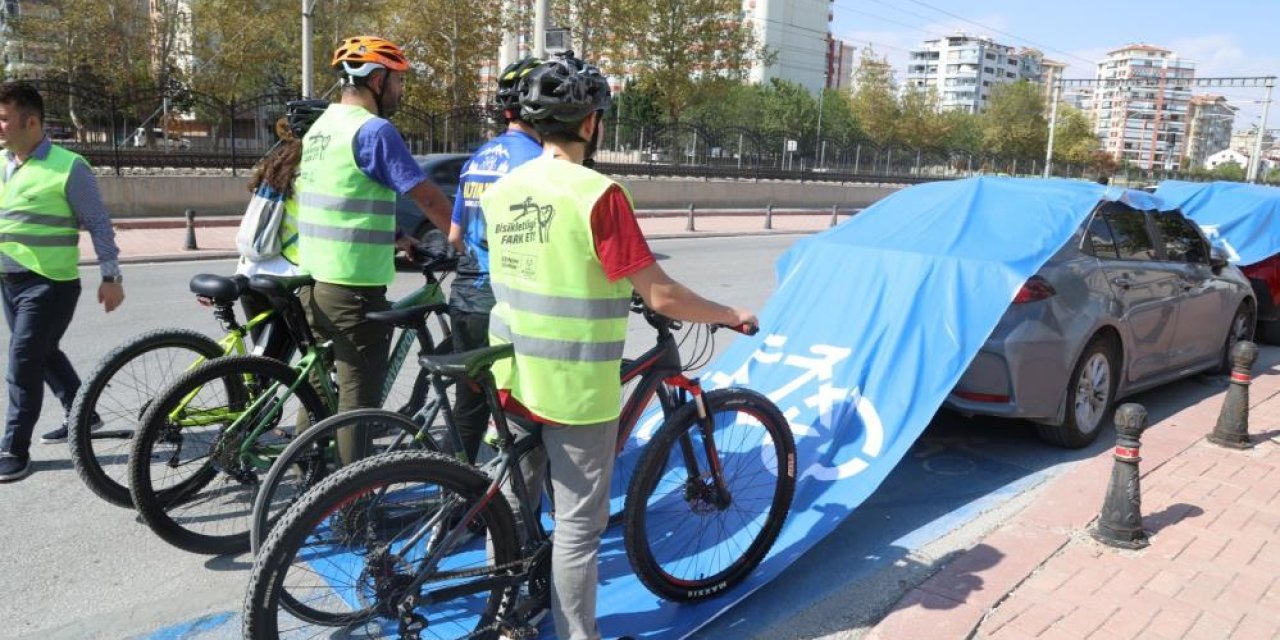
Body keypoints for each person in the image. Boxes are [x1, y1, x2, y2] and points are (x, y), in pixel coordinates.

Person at [480, 52, 756, 640]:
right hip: (573, 387)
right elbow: (660, 295)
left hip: (509, 370)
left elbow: (540, 266)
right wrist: (729, 313)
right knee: (579, 528)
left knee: (508, 507)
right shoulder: (598, 193)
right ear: (589, 123)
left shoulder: (504, 190)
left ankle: (502, 617)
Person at [295, 36, 452, 463]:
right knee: (358, 404)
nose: (400, 92)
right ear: (378, 80)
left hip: (311, 278)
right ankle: (355, 509)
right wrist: (464, 240)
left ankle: (307, 476)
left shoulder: (322, 127)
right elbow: (429, 199)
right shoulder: (373, 130)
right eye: (398, 82)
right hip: (352, 286)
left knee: (321, 390)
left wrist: (394, 236)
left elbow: (341, 200)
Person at [0, 81, 125, 482]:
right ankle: (83, 415)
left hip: (50, 284)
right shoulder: (5, 163)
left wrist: (111, 275)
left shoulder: (69, 166)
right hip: (10, 280)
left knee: (23, 362)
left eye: (4, 119)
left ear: (31, 121)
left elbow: (99, 223)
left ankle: (13, 450)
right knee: (44, 352)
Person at [446, 56, 543, 463]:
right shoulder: (538, 162)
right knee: (520, 407)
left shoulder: (479, 157)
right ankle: (512, 510)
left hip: (464, 295)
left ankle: (453, 498)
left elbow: (454, 236)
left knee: (468, 407)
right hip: (502, 302)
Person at [233, 99, 328, 361]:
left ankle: (248, 397)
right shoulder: (317, 170)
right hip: (288, 278)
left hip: (251, 270)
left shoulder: (278, 163)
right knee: (315, 362)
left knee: (266, 365)